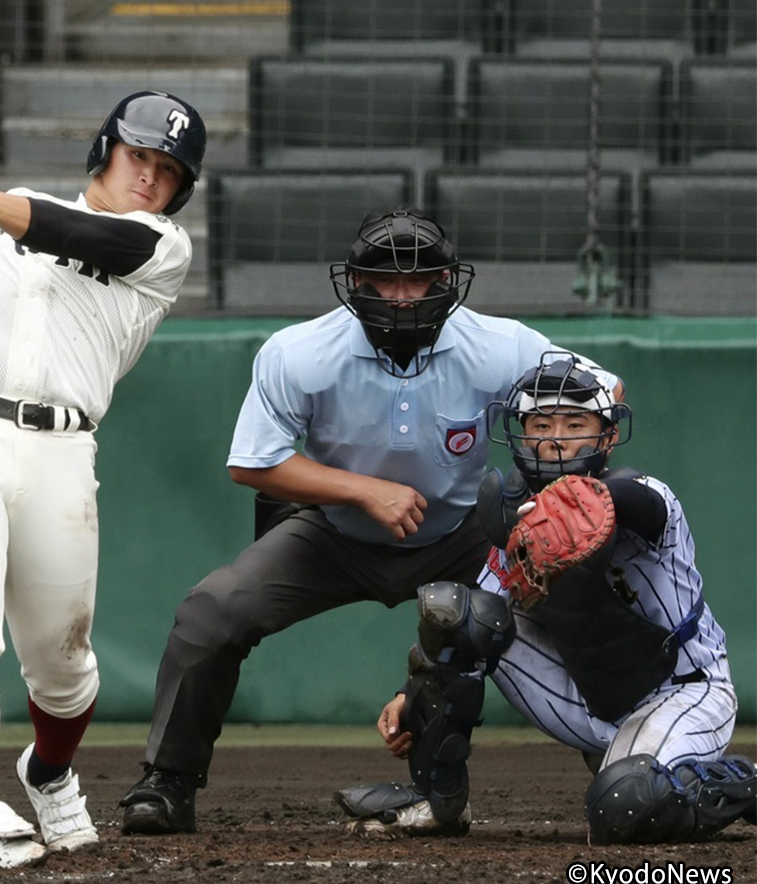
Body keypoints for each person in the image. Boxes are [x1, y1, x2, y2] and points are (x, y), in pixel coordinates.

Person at [118, 207, 621, 835]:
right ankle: (167, 781)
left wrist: (538, 490)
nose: (402, 295)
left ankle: (625, 766)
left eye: (420, 279)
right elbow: (252, 463)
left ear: (447, 280)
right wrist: (362, 491)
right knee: (212, 610)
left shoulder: (502, 345)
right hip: (332, 535)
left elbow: (603, 393)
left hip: (459, 536)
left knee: (574, 606)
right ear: (354, 282)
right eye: (384, 279)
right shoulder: (301, 352)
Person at [0, 91, 207, 868]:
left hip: (62, 450)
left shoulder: (161, 247)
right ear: (106, 149)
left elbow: (75, 232)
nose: (150, 178)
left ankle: (50, 769)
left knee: (63, 668)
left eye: (168, 171)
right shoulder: (4, 216)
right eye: (139, 156)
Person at [336, 353, 755, 843]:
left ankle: (737, 779)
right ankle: (438, 801)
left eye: (575, 423)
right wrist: (412, 692)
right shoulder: (512, 512)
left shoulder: (642, 494)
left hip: (683, 690)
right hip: (589, 693)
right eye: (540, 422)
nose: (554, 437)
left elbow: (642, 506)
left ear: (608, 435)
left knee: (623, 810)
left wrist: (594, 504)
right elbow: (477, 615)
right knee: (456, 612)